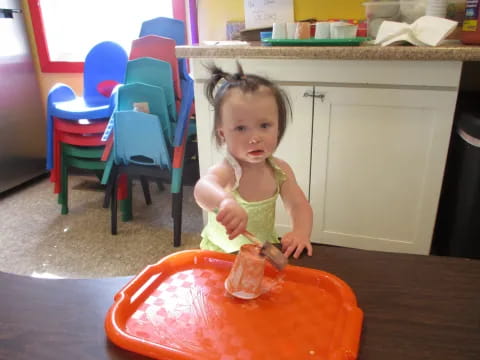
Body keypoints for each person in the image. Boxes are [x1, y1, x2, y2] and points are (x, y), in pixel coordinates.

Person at [194, 62, 313, 259]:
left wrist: (300, 232)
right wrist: (225, 201)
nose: (255, 138)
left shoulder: (280, 170)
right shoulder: (229, 171)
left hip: (261, 251)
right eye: (241, 129)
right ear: (223, 134)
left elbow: (299, 205)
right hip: (222, 254)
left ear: (278, 127)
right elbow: (203, 188)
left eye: (264, 125)